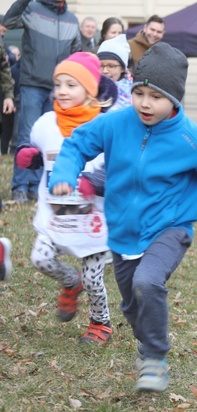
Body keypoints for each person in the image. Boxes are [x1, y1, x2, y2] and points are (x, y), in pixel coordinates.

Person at [48, 42, 197, 392]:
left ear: (174, 99)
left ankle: (155, 357)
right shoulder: (116, 124)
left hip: (170, 228)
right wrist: (64, 172)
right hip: (124, 230)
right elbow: (78, 142)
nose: (144, 102)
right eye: (139, 92)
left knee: (147, 283)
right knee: (131, 301)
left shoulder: (194, 140)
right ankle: (146, 342)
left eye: (155, 97)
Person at [16, 52, 116, 344]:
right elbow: (33, 146)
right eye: (58, 83)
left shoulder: (107, 128)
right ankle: (70, 282)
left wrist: (94, 183)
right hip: (55, 217)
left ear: (90, 90)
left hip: (94, 221)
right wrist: (30, 156)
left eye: (71, 84)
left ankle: (101, 324)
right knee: (39, 258)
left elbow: (121, 170)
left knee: (94, 279)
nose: (62, 90)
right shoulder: (46, 123)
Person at [2, 0, 81, 203]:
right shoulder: (33, 9)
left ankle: (36, 187)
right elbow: (9, 20)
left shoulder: (72, 20)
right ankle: (19, 186)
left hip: (57, 90)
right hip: (31, 84)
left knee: (48, 138)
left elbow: (75, 55)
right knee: (26, 137)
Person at [97, 34, 133, 110]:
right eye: (101, 65)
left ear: (123, 68)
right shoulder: (90, 90)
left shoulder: (134, 93)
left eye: (111, 66)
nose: (105, 71)